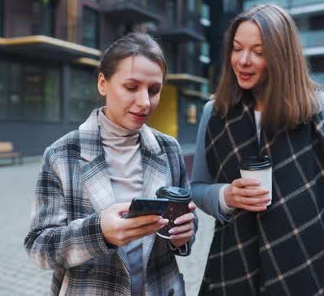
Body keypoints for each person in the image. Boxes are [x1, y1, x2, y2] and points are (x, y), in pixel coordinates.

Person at [191, 4, 324, 295]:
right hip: (233, 266)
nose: (243, 60)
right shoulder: (216, 113)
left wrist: (317, 237)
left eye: (258, 52)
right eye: (237, 49)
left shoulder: (322, 109)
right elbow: (198, 186)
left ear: (282, 56)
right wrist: (226, 196)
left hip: (310, 269)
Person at [24, 32, 196, 296]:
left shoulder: (169, 149)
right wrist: (99, 232)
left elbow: (186, 222)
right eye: (131, 87)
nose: (145, 102)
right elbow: (39, 247)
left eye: (154, 90)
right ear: (103, 83)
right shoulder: (61, 154)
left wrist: (184, 234)